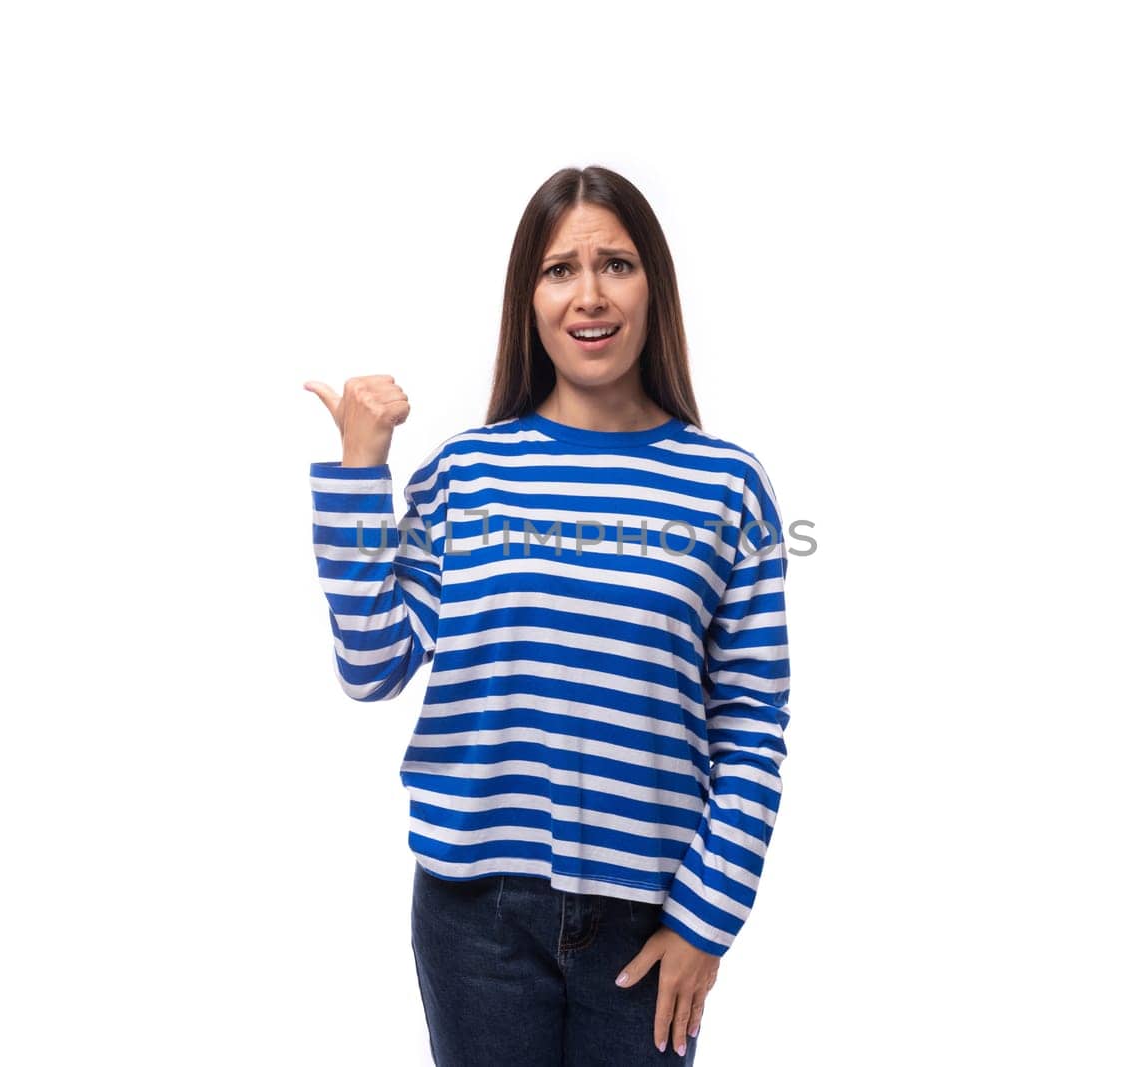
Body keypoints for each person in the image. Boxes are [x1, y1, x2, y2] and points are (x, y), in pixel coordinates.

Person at [303, 165, 791, 1066]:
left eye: (617, 263)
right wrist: (358, 470)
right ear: (528, 298)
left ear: (656, 287)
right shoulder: (468, 475)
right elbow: (370, 663)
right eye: (560, 269)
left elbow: (753, 725)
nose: (590, 294)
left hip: (651, 921)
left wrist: (706, 924)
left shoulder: (728, 487)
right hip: (472, 919)